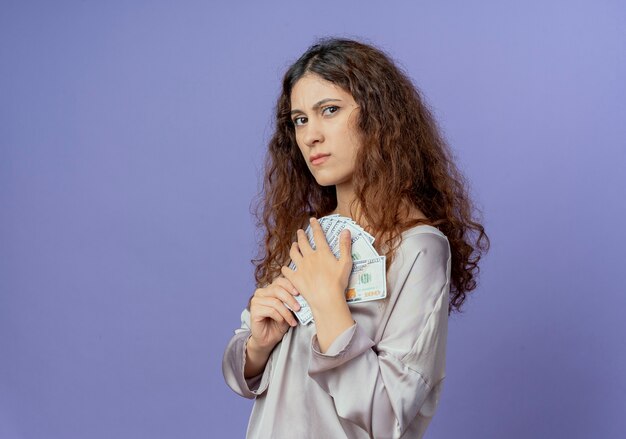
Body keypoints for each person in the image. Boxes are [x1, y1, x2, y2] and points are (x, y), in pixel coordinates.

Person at [222, 37, 490, 439]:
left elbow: (388, 418)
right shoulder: (311, 239)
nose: (311, 135)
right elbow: (244, 372)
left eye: (329, 111)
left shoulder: (420, 248)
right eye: (300, 120)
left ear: (380, 119)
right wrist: (258, 347)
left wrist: (330, 305)